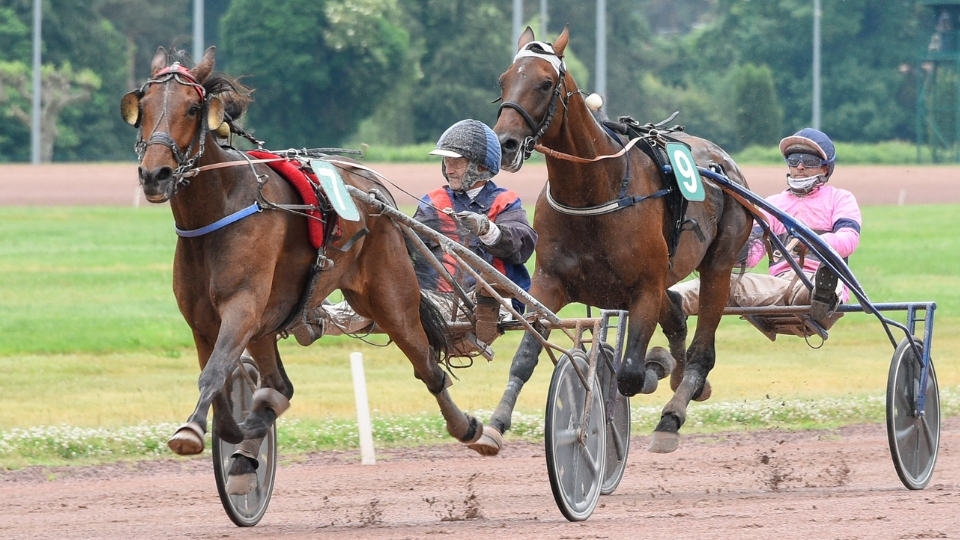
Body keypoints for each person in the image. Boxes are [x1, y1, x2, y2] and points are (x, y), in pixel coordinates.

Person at [295, 119, 537, 344]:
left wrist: (486, 229)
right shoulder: (434, 200)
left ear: (481, 167)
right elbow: (402, 249)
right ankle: (320, 320)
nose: (449, 169)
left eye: (456, 162)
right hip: (435, 296)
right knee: (385, 293)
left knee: (398, 303)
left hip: (487, 301)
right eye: (447, 162)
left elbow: (522, 247)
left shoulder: (504, 202)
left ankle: (325, 319)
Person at [670, 128, 861, 327]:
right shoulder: (772, 204)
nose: (801, 166)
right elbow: (753, 253)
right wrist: (717, 250)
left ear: (825, 169)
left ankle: (821, 294)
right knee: (715, 283)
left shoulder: (840, 198)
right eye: (794, 160)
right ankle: (667, 298)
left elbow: (849, 239)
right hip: (778, 289)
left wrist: (812, 243)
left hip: (821, 282)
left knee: (822, 284)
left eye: (809, 161)